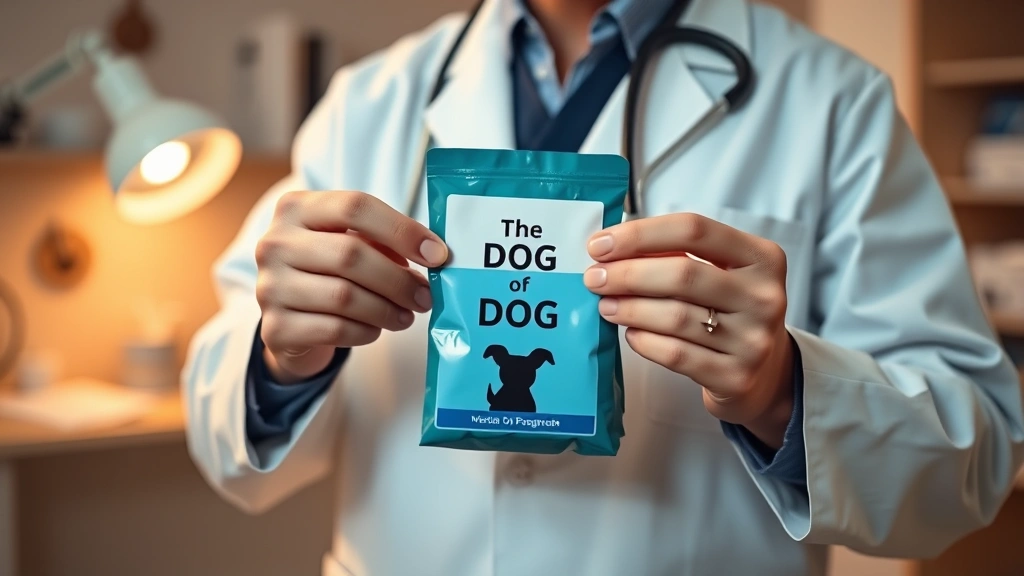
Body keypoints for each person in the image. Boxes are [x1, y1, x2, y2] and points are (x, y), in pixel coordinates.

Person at [183, 0, 1024, 574]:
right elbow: (218, 417)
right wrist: (279, 356)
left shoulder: (832, 101)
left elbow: (976, 452)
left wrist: (783, 391)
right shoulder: (369, 101)